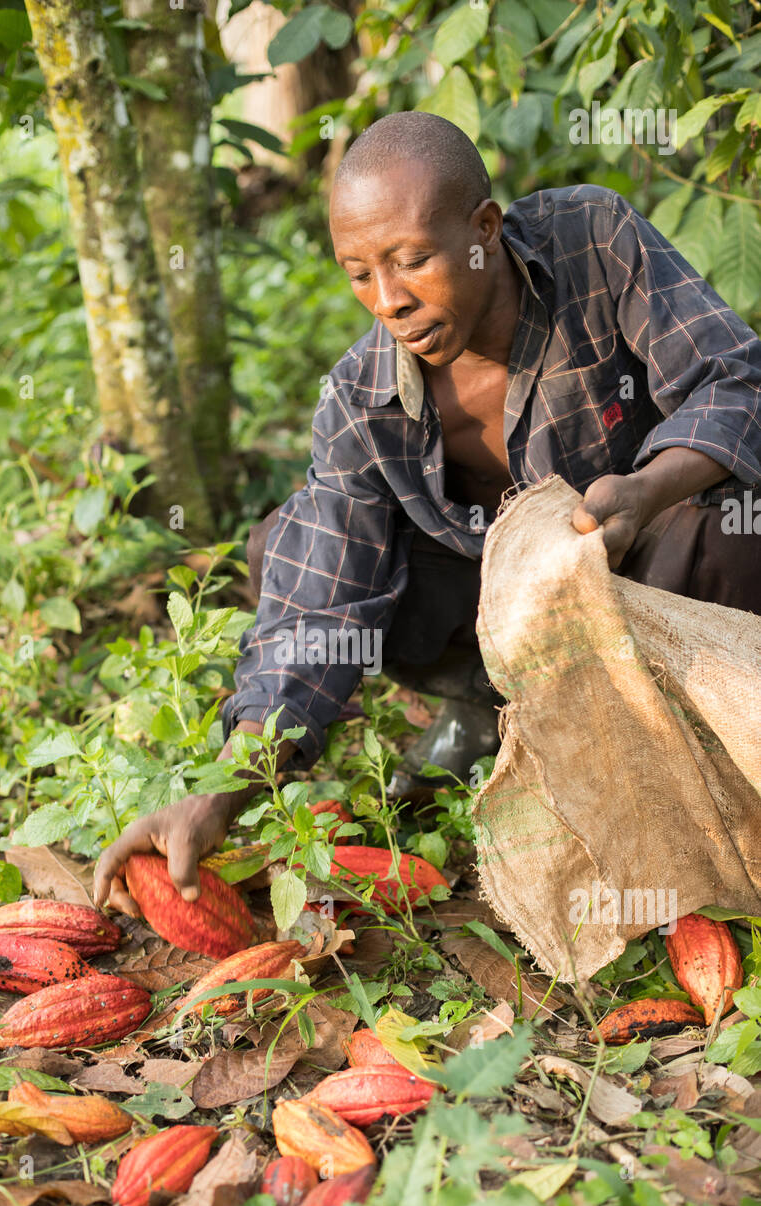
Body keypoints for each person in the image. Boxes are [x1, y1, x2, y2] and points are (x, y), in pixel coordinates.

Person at [93, 111, 761, 916]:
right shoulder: (360, 399)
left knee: (733, 520)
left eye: (412, 261)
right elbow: (319, 604)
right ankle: (493, 709)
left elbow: (734, 380)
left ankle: (702, 741)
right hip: (498, 621)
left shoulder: (593, 241)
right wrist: (222, 793)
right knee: (289, 547)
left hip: (644, 578)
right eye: (359, 274)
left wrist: (650, 488)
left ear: (484, 228)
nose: (389, 301)